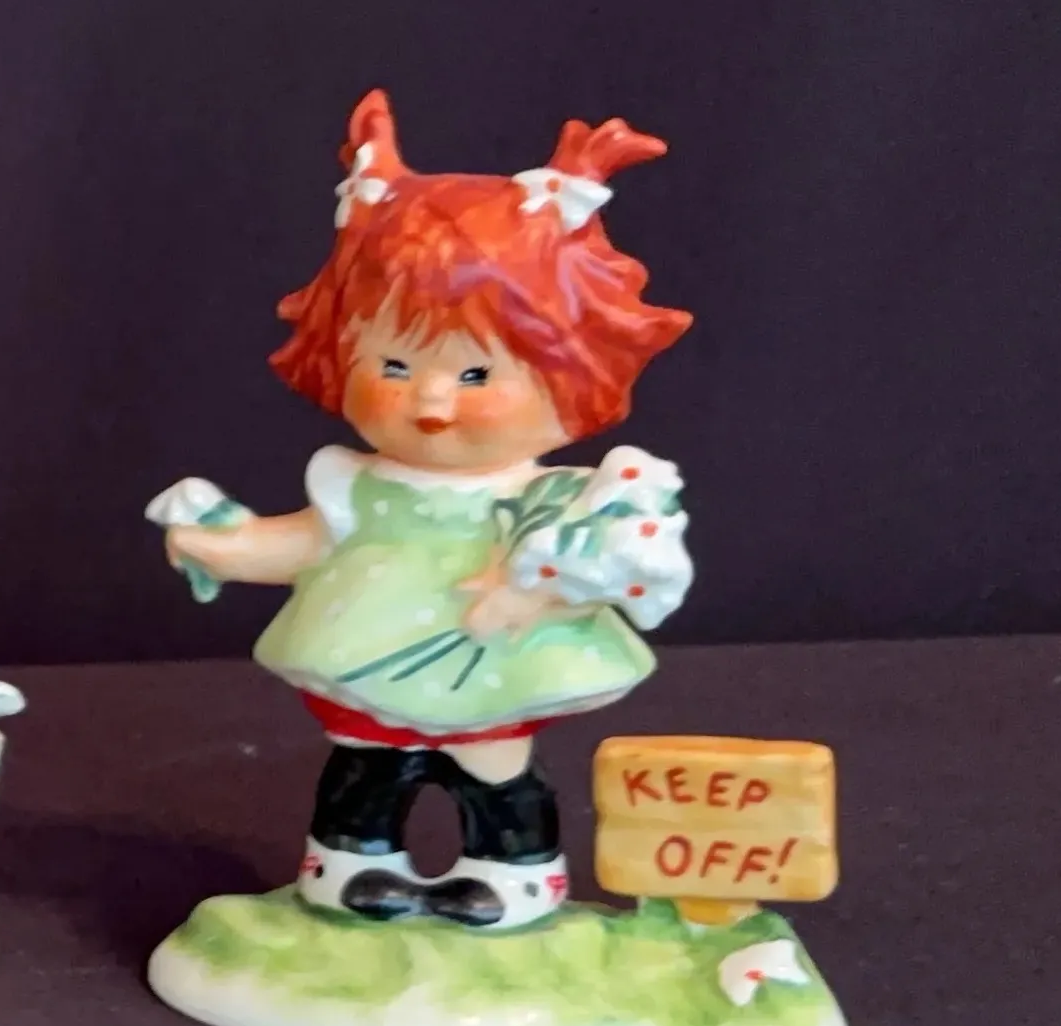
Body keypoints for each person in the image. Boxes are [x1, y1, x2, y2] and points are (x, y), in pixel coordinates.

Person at [152, 92, 694, 929]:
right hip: (369, 661)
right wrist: (227, 546)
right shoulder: (358, 483)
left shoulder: (553, 499)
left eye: (476, 375)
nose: (431, 402)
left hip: (493, 668)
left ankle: (509, 877)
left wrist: (544, 592)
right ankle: (352, 868)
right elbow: (308, 542)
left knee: (494, 766)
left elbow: (594, 564)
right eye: (395, 366)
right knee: (368, 762)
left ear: (574, 377)